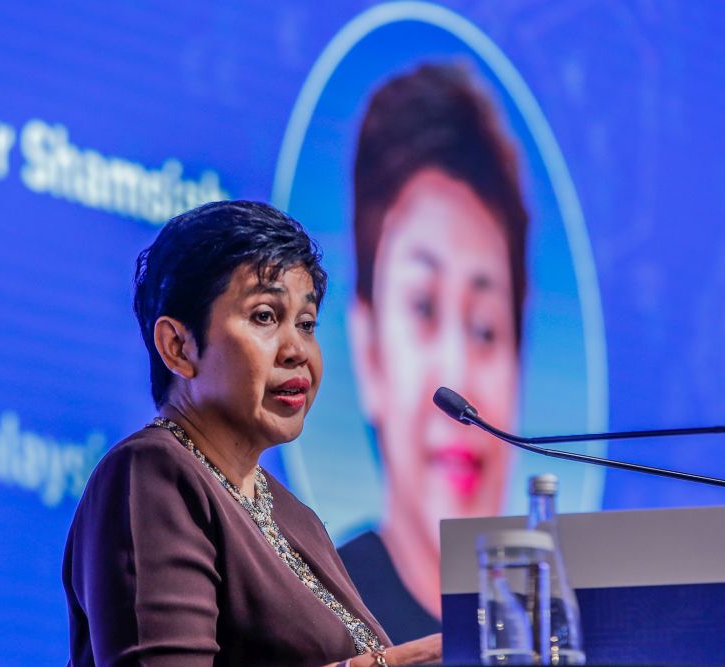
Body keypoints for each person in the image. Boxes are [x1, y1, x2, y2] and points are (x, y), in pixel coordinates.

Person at [62, 200, 441, 667]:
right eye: (264, 316)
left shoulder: (294, 516)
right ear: (177, 347)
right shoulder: (152, 474)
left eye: (306, 324)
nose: (297, 350)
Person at [339, 62, 529, 643]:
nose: (458, 373)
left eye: (486, 327)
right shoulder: (320, 612)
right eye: (423, 309)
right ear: (369, 352)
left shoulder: (548, 629)